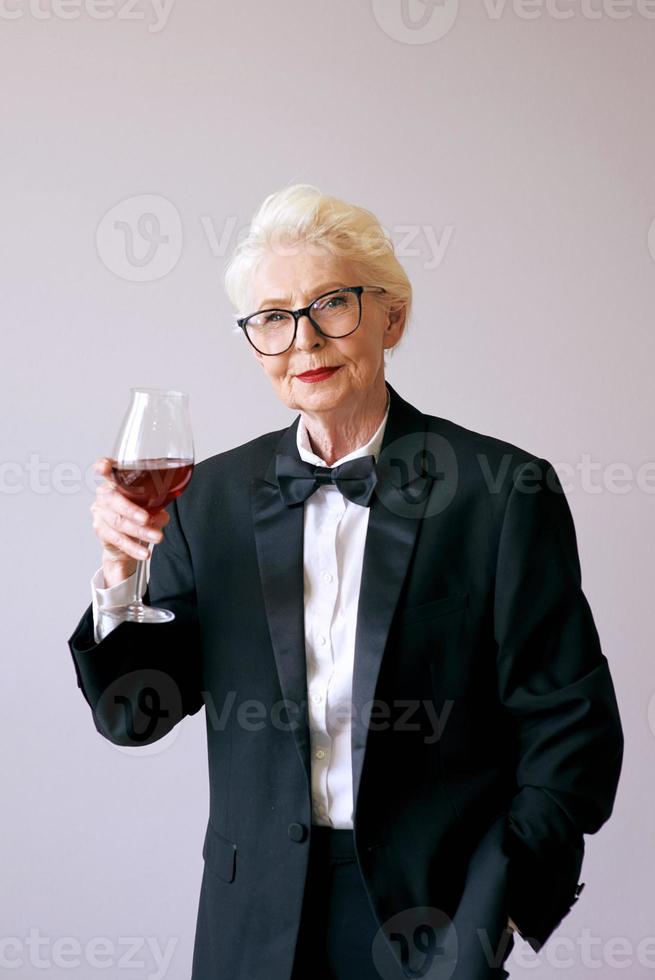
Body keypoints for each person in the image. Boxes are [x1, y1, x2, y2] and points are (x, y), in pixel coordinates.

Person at [68, 184, 624, 980]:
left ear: (390, 317)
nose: (303, 340)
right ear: (254, 342)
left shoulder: (500, 492)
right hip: (248, 926)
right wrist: (121, 575)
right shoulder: (211, 497)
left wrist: (490, 914)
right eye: (272, 318)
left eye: (331, 303)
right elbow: (134, 716)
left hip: (431, 922)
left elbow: (572, 731)